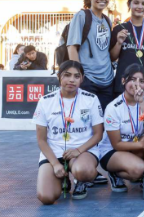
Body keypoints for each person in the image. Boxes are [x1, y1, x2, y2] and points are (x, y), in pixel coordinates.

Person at [33, 60, 104, 204]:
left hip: (82, 151)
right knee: (46, 197)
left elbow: (98, 134)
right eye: (67, 75)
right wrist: (55, 164)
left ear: (82, 79)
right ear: (59, 76)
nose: (72, 80)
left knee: (82, 170)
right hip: (54, 153)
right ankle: (63, 178)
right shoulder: (45, 101)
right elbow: (41, 140)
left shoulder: (91, 99)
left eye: (77, 76)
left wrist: (78, 150)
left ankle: (82, 181)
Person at [99, 64, 144, 193]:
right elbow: (116, 144)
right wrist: (141, 144)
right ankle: (115, 173)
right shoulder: (113, 107)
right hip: (113, 151)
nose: (137, 84)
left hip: (136, 147)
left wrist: (141, 102)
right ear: (123, 81)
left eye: (141, 81)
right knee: (139, 169)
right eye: (133, 79)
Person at [67, 0, 114, 109]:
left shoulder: (107, 20)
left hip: (108, 80)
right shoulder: (82, 16)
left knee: (105, 121)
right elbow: (71, 47)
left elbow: (106, 51)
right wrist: (78, 75)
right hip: (88, 79)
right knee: (86, 121)